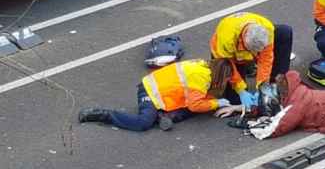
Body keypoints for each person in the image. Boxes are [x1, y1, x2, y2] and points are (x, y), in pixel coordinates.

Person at [78, 59, 233, 131]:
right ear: (220, 74)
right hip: (149, 92)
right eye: (226, 79)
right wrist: (216, 104)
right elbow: (195, 104)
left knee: (196, 107)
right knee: (143, 123)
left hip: (160, 93)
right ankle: (104, 115)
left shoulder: (203, 67)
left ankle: (162, 116)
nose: (226, 82)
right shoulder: (201, 76)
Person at [210, 12, 292, 109]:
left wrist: (262, 86)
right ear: (244, 41)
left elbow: (266, 60)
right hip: (226, 58)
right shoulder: (227, 39)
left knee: (284, 32)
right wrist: (241, 90)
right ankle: (247, 68)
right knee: (235, 100)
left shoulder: (267, 29)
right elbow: (228, 66)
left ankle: (275, 83)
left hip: (246, 52)